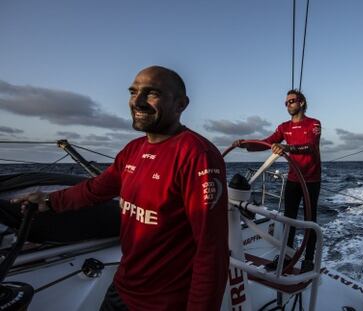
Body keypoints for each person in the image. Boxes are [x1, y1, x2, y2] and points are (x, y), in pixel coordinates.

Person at [13, 66, 229, 310]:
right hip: (122, 289)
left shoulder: (197, 155)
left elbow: (211, 251)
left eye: (152, 93)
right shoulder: (132, 150)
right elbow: (95, 189)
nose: (137, 101)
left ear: (180, 104)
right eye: (133, 91)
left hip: (164, 302)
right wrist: (50, 201)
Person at [233, 89, 321, 272]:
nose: (288, 105)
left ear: (302, 102)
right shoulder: (284, 127)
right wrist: (246, 144)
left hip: (311, 180)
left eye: (292, 101)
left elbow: (311, 146)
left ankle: (309, 261)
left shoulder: (313, 123)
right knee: (289, 221)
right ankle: (286, 258)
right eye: (286, 102)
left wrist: (286, 147)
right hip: (293, 180)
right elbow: (267, 142)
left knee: (309, 221)